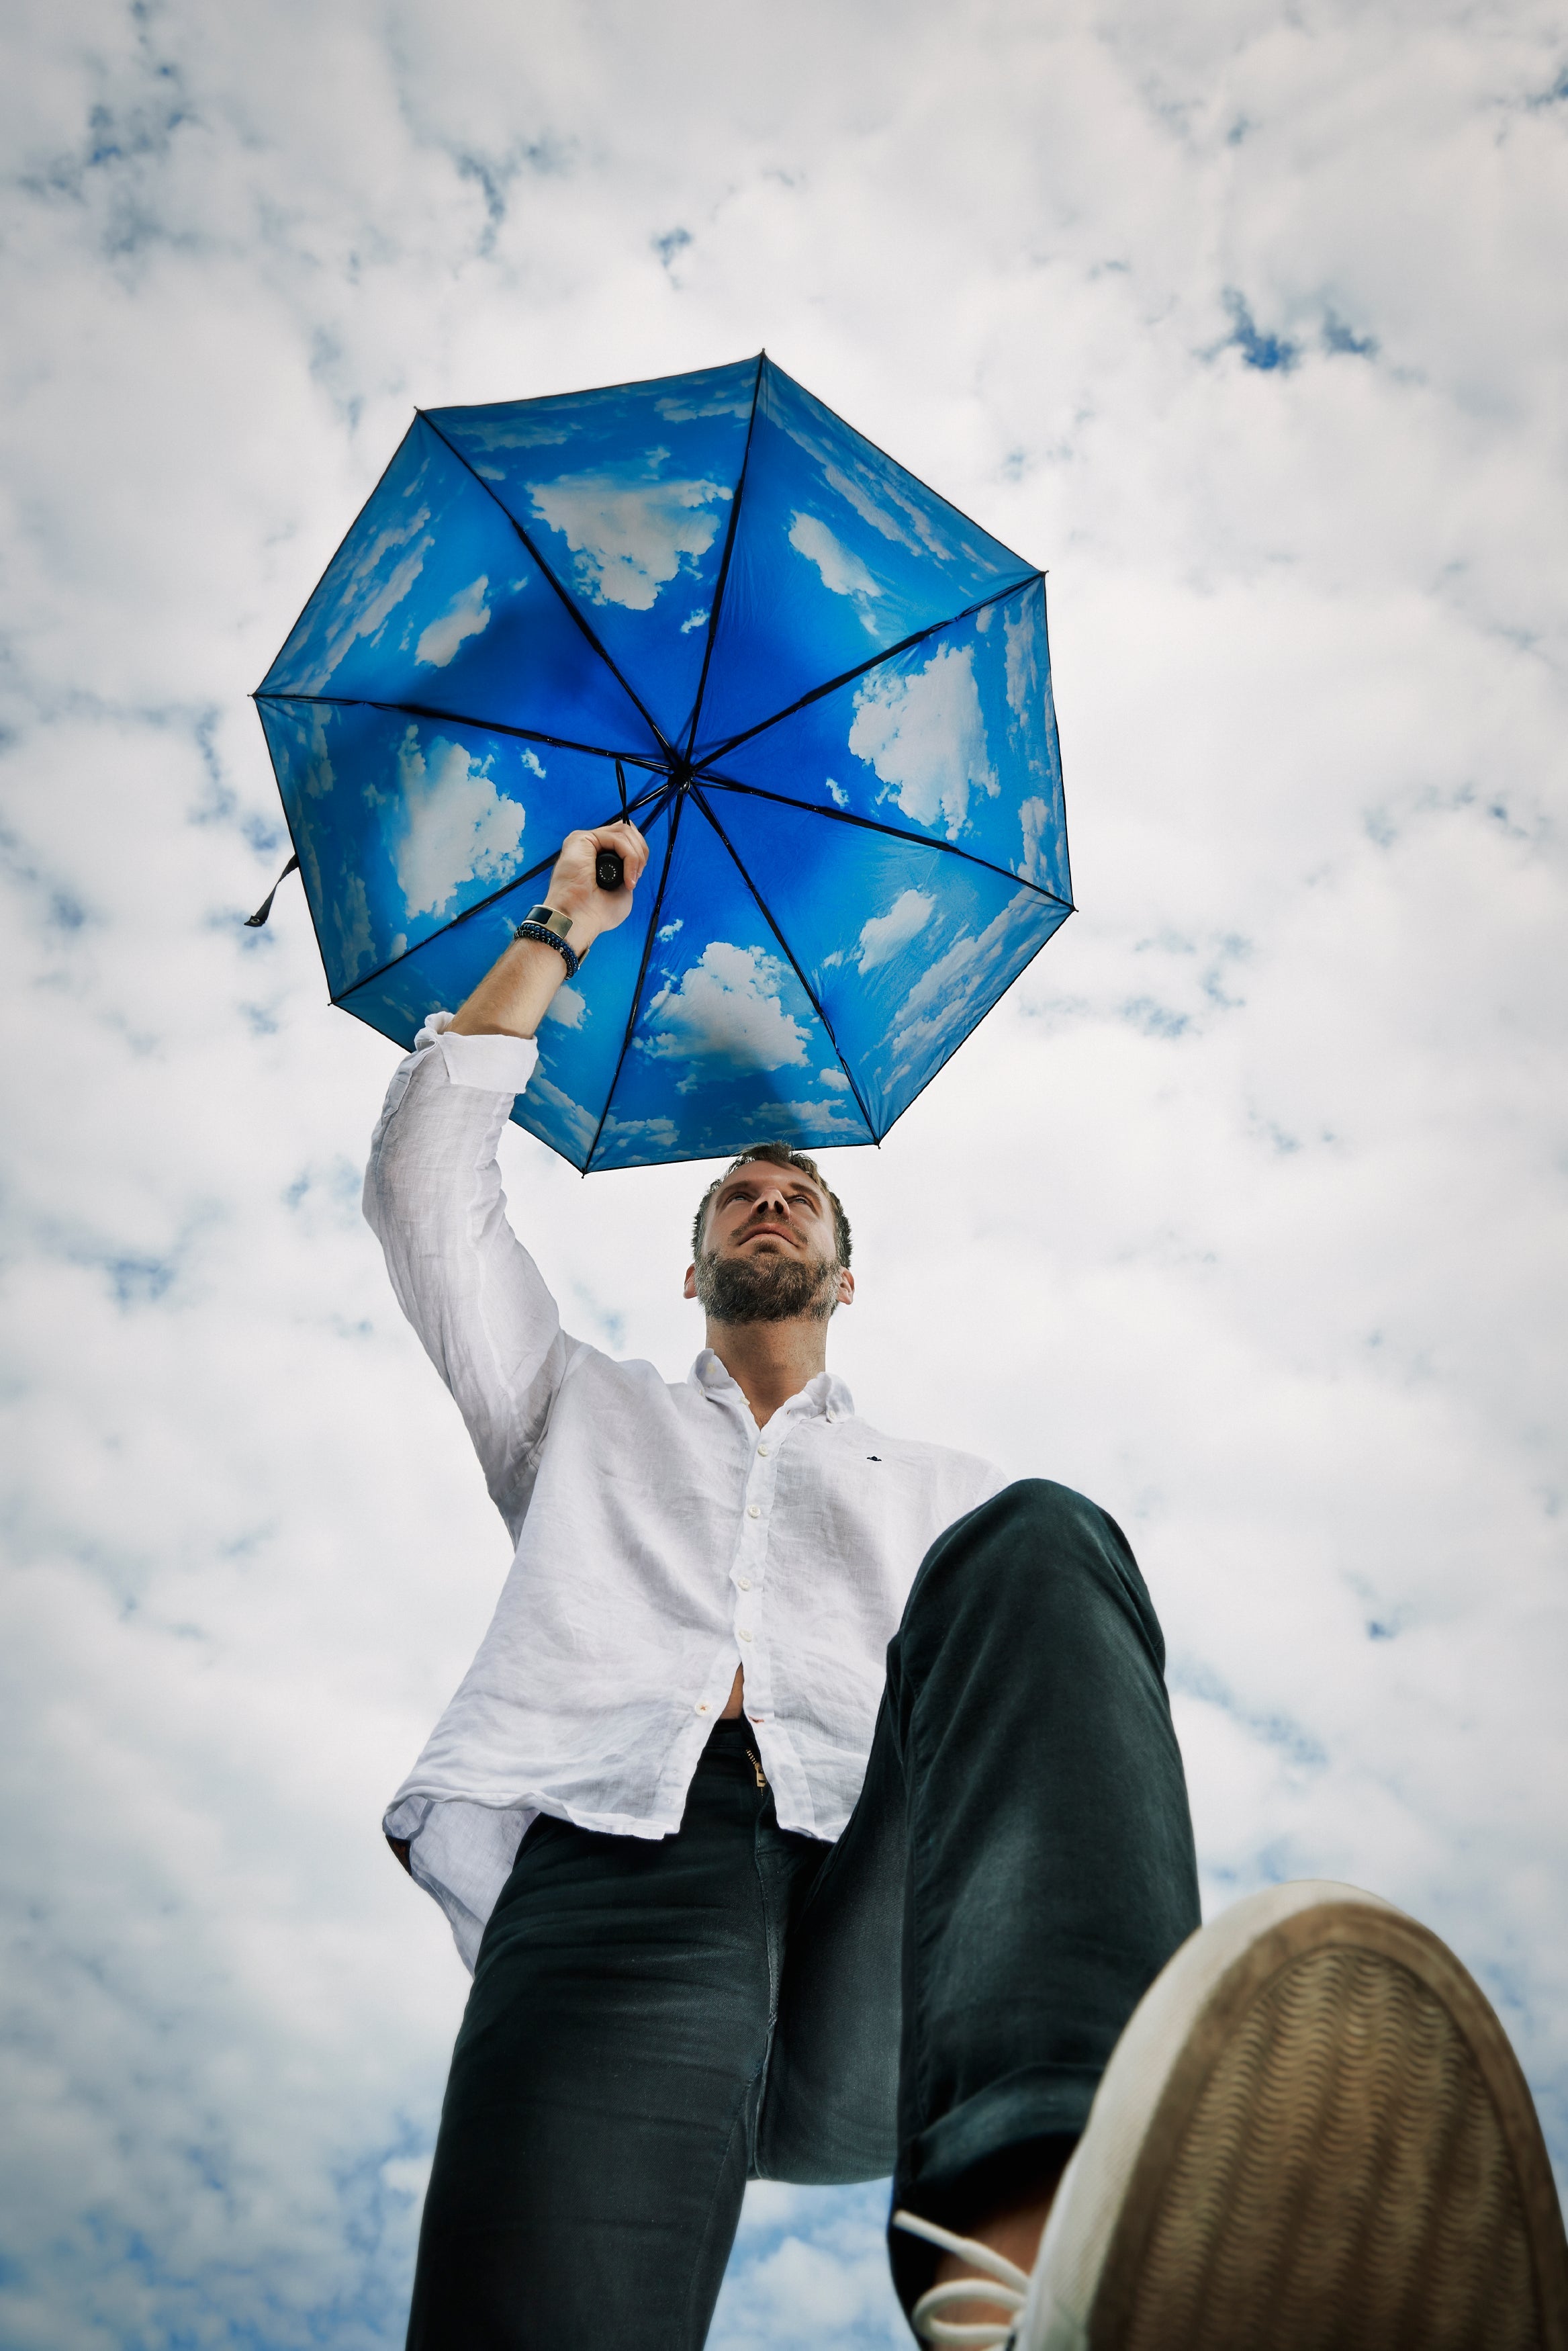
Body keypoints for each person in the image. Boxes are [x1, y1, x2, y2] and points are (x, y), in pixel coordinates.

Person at [366, 819, 1567, 2351]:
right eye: (737, 1192)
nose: (768, 1199)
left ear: (844, 1273)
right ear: (691, 1267)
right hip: (618, 1878)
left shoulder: (933, 1488)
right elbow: (423, 1192)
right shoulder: (574, 1405)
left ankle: (1039, 2267)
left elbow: (1029, 1717)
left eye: (798, 1193)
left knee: (1042, 1539)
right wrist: (560, 928)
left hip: (894, 1918)